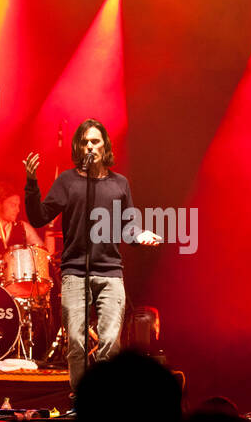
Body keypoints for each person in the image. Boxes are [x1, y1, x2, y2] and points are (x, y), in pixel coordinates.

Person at [23, 119, 160, 394]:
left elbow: (127, 225)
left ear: (104, 145)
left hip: (110, 273)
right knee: (77, 341)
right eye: (84, 141)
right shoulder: (68, 181)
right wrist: (31, 183)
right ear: (78, 146)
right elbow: (39, 216)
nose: (89, 146)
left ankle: (106, 399)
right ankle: (80, 399)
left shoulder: (120, 183)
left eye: (95, 141)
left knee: (110, 340)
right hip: (75, 271)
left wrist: (140, 235)